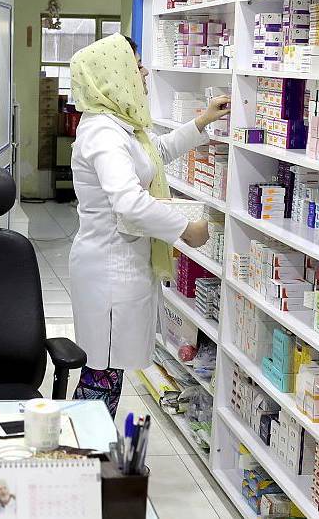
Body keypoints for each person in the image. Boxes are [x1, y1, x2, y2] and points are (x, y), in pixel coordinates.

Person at [67, 34, 230, 416]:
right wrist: (184, 229)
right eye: (136, 65)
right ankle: (81, 447)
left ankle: (88, 444)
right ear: (113, 74)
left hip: (123, 265)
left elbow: (155, 155)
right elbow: (128, 202)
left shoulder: (122, 125)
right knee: (102, 375)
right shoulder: (104, 134)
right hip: (110, 270)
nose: (143, 73)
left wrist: (202, 120)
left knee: (108, 373)